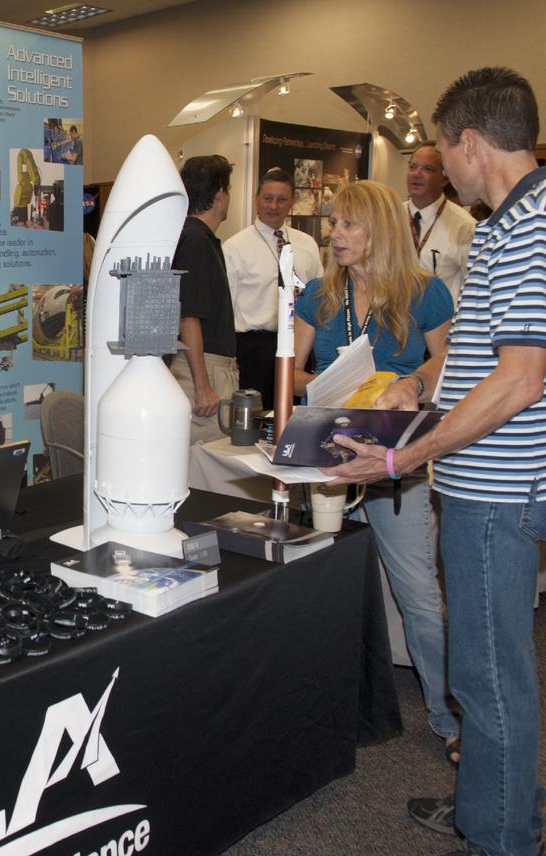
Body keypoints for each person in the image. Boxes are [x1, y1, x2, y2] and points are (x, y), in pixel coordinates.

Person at [324, 68, 546, 856]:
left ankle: (499, 836)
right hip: (487, 484)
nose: (439, 168)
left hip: (497, 491)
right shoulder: (508, 225)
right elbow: (475, 359)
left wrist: (402, 458)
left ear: (472, 144)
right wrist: (418, 384)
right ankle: (500, 807)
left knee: (488, 674)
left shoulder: (528, 228)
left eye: (442, 151)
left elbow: (520, 379)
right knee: (495, 669)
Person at [292, 179, 458, 763]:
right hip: (327, 456)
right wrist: (329, 384)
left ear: (379, 230)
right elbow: (291, 373)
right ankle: (314, 703)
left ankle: (448, 716)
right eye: (333, 223)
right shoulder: (319, 295)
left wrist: (407, 382)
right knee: (315, 586)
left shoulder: (425, 293)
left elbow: (449, 360)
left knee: (418, 593)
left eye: (347, 224)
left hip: (395, 464)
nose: (334, 233)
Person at [223, 167, 323, 410]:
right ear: (257, 198)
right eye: (268, 198)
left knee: (297, 415)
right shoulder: (235, 247)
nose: (274, 206)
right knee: (259, 418)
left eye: (281, 199)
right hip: (255, 349)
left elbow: (321, 296)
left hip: (301, 344)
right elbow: (225, 309)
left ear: (292, 201)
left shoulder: (307, 243)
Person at [170, 154, 237, 444]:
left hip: (207, 366)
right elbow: (188, 317)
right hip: (200, 369)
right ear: (220, 195)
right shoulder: (196, 241)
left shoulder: (194, 238)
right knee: (205, 457)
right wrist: (202, 386)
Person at [405, 142, 476, 307]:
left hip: (441, 320)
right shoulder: (391, 217)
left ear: (445, 178)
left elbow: (474, 290)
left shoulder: (465, 227)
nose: (416, 174)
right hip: (392, 318)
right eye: (413, 167)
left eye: (427, 169)